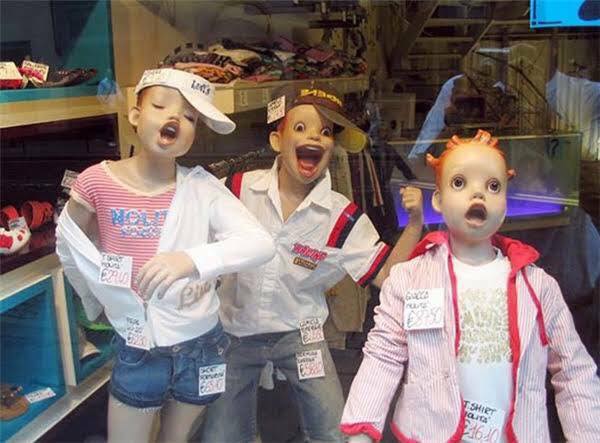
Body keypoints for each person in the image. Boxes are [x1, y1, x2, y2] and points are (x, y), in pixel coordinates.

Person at [55, 68, 275, 442]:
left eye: (190, 117)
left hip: (201, 343)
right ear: (135, 114)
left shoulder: (202, 188)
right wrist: (99, 301)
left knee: (176, 438)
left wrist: (190, 260)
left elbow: (260, 243)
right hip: (138, 341)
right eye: (160, 105)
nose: (175, 117)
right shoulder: (97, 182)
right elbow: (70, 244)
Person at [340, 130, 600, 442]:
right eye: (459, 183)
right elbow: (384, 355)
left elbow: (573, 370)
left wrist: (587, 434)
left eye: (493, 186)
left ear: (505, 203)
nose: (478, 194)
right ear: (438, 200)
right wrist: (361, 428)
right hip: (430, 433)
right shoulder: (409, 279)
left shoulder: (537, 286)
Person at [201, 84, 424, 442]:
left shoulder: (341, 216)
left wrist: (414, 225)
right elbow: (193, 232)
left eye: (326, 132)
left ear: (332, 147)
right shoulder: (236, 189)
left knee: (333, 430)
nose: (315, 137)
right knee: (221, 436)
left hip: (301, 333)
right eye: (301, 127)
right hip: (235, 332)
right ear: (277, 140)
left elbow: (387, 276)